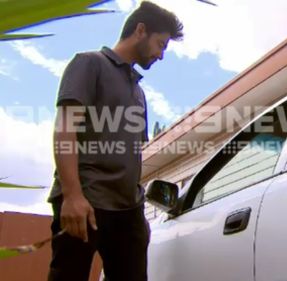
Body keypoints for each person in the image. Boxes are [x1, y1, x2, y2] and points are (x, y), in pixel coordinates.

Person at [47, 2, 183, 281]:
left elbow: (130, 151)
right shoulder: (89, 63)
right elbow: (64, 130)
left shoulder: (139, 92)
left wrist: (139, 208)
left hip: (128, 212)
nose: (161, 55)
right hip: (86, 201)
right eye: (161, 44)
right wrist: (72, 196)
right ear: (140, 30)